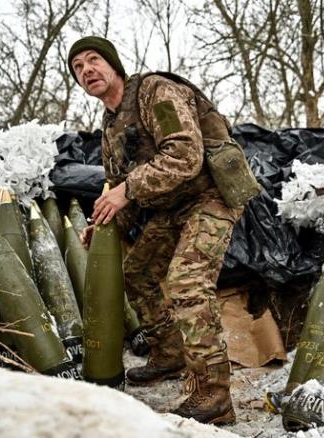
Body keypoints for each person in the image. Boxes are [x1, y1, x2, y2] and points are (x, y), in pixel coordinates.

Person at [68, 36, 244, 425]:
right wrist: (103, 226)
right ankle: (169, 354)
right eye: (78, 67)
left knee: (187, 282)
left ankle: (214, 396)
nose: (87, 71)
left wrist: (125, 191)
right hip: (171, 205)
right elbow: (121, 191)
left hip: (210, 194)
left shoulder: (154, 91)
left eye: (94, 60)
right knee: (138, 273)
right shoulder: (110, 125)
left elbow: (184, 153)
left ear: (113, 65)